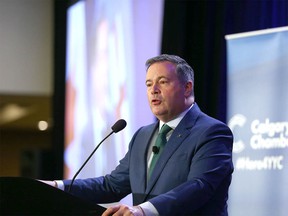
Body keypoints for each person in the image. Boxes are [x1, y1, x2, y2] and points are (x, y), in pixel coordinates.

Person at [44, 54, 233, 216]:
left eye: (163, 82)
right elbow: (112, 185)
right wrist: (56, 187)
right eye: (149, 84)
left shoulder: (212, 132)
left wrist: (143, 211)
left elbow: (199, 186)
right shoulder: (142, 136)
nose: (153, 90)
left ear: (187, 87)